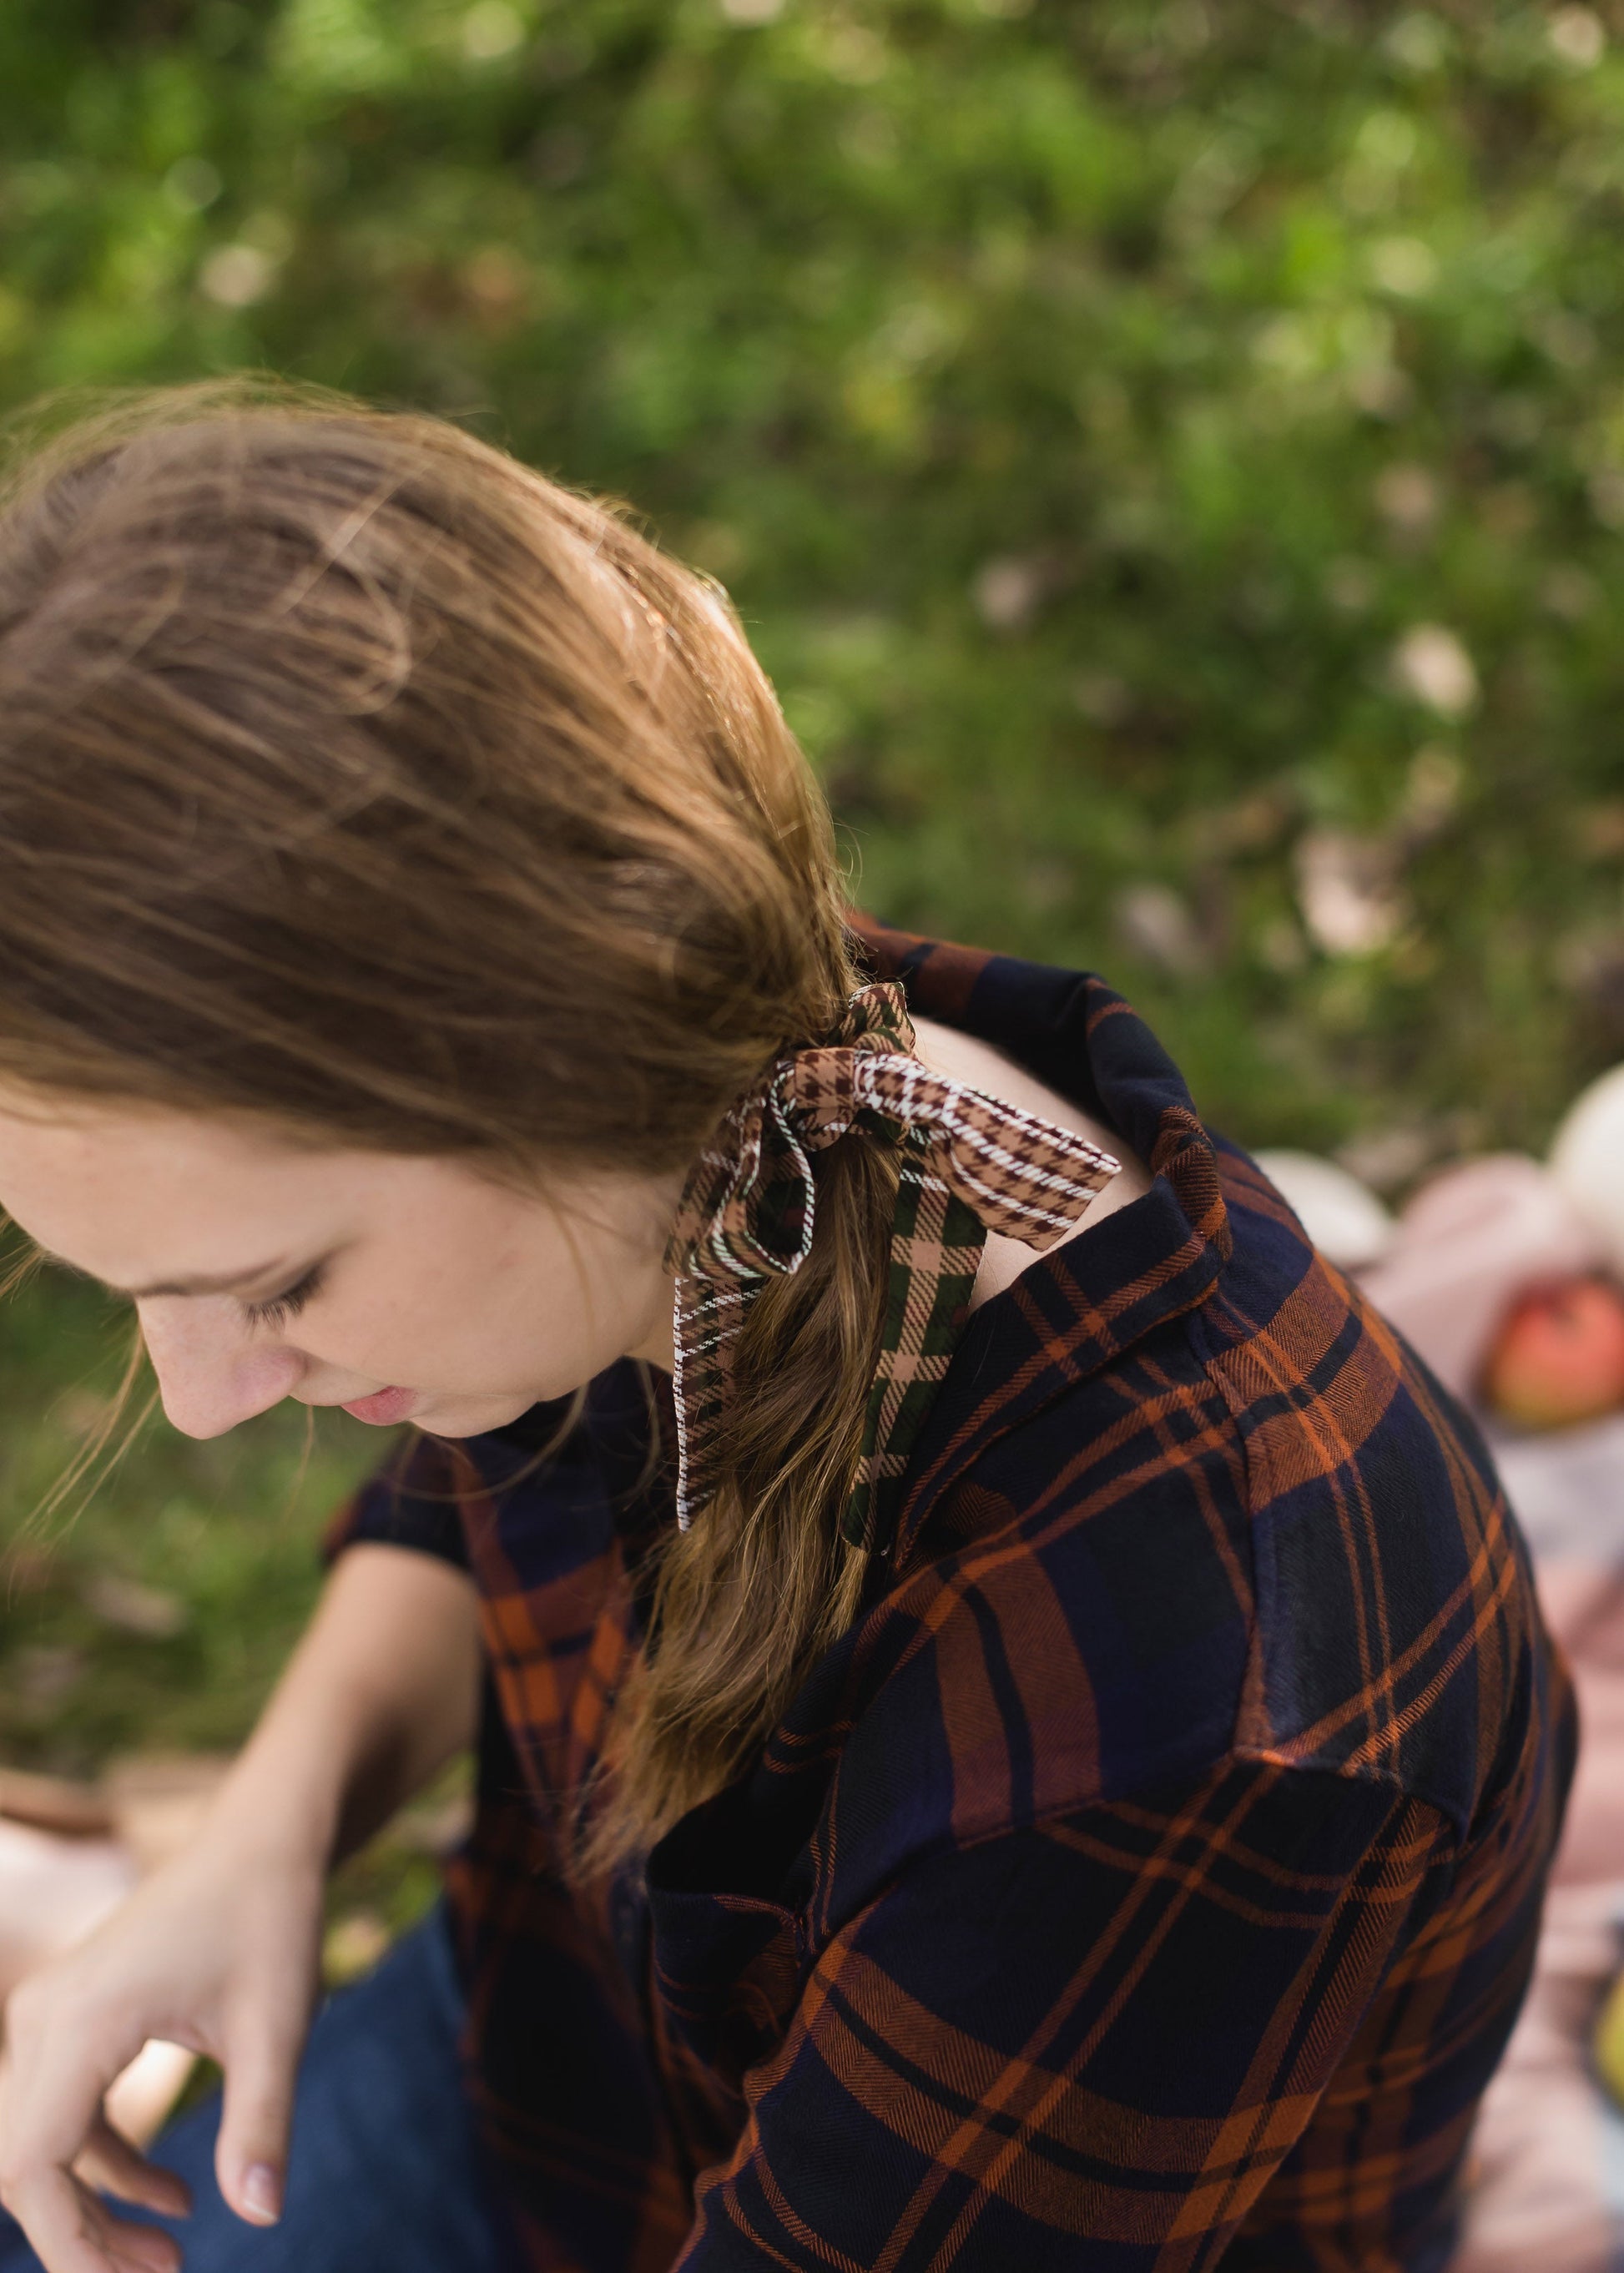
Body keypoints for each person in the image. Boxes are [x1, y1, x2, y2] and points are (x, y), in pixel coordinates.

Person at [0, 385, 1573, 2273]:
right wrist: (271, 1823)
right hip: (556, 2083)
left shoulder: (1176, 1718)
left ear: (571, 1044)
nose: (201, 1407)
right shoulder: (704, 1108)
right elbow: (500, 1486)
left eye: (278, 1286)